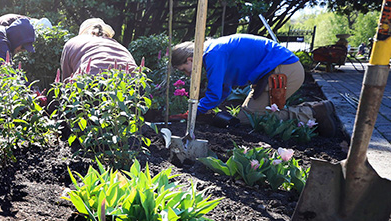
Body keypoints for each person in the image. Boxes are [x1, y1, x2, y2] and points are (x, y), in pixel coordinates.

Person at [171, 34, 336, 136]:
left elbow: (214, 95)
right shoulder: (212, 52)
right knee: (245, 115)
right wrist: (201, 109)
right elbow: (223, 89)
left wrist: (193, 113)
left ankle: (312, 112)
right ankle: (313, 110)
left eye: (184, 69)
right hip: (275, 72)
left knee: (252, 118)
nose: (187, 74)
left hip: (284, 70)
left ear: (190, 60)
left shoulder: (213, 54)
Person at [59, 18, 136, 79]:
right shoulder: (119, 45)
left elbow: (67, 81)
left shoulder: (73, 42)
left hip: (91, 79)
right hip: (134, 83)